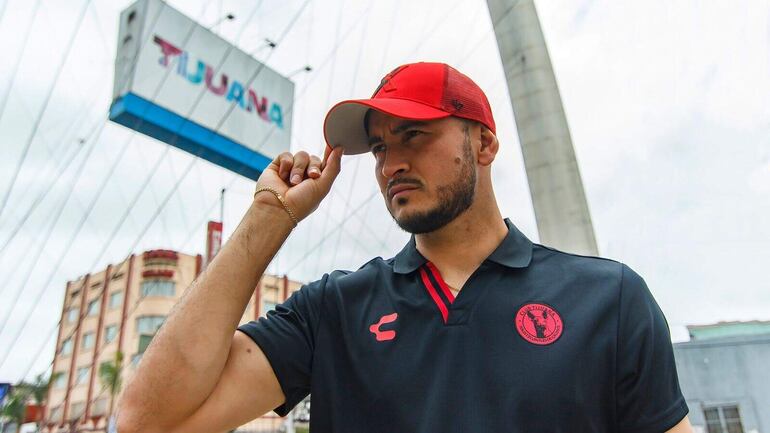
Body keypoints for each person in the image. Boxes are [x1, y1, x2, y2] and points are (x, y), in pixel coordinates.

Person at [116, 62, 693, 433]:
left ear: (483, 144)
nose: (391, 163)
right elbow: (148, 421)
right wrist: (269, 217)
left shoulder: (608, 299)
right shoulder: (334, 310)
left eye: (413, 134)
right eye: (378, 147)